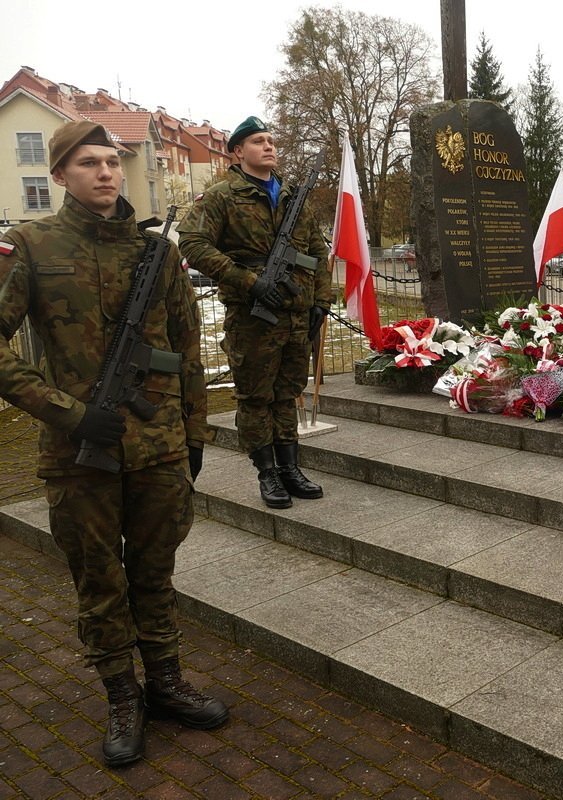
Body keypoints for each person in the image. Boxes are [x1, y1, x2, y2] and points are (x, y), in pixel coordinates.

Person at [0, 121, 227, 767]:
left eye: (112, 162)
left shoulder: (152, 250)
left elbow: (186, 345)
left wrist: (194, 434)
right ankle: (121, 697)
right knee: (99, 582)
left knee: (155, 576)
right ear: (61, 175)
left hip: (156, 446)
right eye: (88, 163)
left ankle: (166, 684)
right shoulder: (31, 246)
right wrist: (67, 413)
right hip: (78, 456)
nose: (105, 173)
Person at [179, 116, 331, 510]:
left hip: (297, 315)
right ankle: (267, 473)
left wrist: (321, 302)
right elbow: (192, 243)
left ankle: (290, 468)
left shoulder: (294, 197)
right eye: (258, 141)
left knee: (287, 394)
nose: (268, 146)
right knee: (255, 397)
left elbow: (317, 253)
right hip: (252, 316)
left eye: (270, 140)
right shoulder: (222, 197)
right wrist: (248, 280)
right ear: (237, 151)